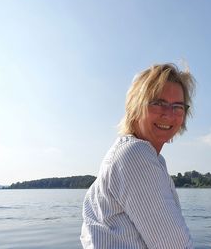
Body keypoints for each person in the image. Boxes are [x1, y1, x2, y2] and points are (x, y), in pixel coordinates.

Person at [80, 63, 195, 249]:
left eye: (177, 106)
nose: (168, 114)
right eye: (158, 103)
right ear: (135, 107)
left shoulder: (146, 157)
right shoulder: (135, 155)